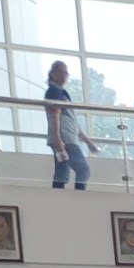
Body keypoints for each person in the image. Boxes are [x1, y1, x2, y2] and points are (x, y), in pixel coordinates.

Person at [44, 60, 99, 189]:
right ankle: (78, 196)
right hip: (65, 139)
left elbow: (71, 120)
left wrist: (87, 141)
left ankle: (57, 196)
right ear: (53, 74)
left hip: (66, 137)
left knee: (62, 170)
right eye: (61, 72)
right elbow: (54, 115)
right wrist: (57, 139)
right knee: (83, 170)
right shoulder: (54, 92)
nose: (64, 75)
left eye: (66, 73)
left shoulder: (62, 92)